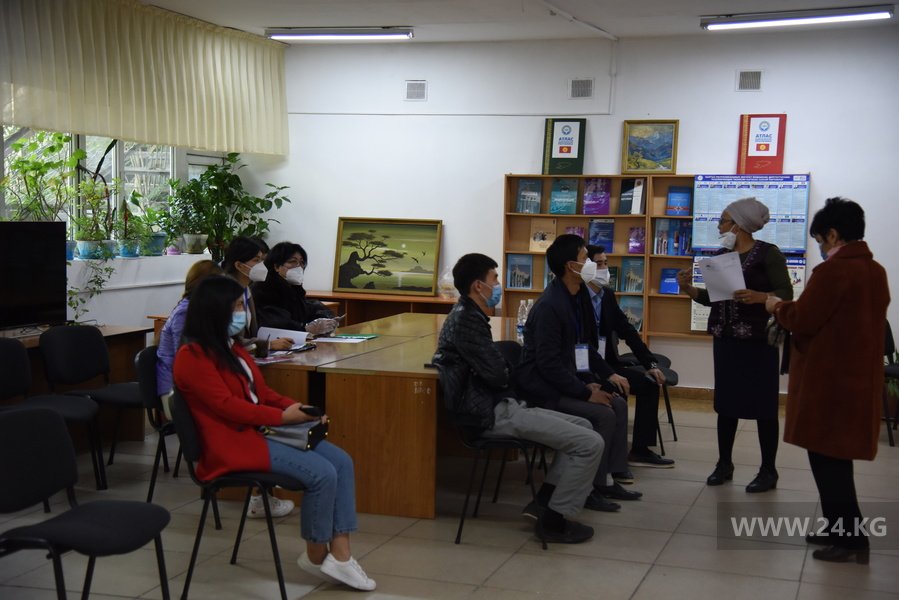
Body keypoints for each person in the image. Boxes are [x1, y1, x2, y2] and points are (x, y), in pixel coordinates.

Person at [173, 275, 376, 590]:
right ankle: (316, 554)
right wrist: (282, 417)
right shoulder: (192, 357)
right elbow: (227, 407)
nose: (243, 313)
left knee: (342, 462)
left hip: (260, 432)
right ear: (214, 310)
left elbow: (262, 393)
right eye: (236, 307)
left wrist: (299, 408)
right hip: (232, 446)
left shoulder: (232, 348)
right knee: (322, 474)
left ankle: (341, 553)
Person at [433, 253, 603, 544]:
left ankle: (544, 502)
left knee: (584, 427)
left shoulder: (470, 316)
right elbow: (498, 375)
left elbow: (497, 370)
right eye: (495, 278)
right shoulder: (466, 322)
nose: (498, 284)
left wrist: (503, 370)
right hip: (491, 414)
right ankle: (556, 521)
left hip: (501, 405)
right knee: (590, 444)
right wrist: (504, 371)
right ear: (478, 286)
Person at [766, 197, 889, 564]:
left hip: (830, 383)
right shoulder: (875, 271)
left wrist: (776, 306)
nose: (821, 247)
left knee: (828, 462)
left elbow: (803, 319)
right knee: (836, 459)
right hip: (856, 381)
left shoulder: (834, 272)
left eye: (820, 239)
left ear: (833, 235)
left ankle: (851, 540)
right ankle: (839, 529)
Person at [156, 259, 294, 519]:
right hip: (177, 394)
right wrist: (281, 416)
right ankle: (259, 494)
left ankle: (262, 494)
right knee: (251, 415)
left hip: (205, 392)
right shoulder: (190, 330)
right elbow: (203, 375)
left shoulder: (220, 335)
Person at [515, 234, 643, 511]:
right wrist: (585, 393)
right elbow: (548, 365)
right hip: (545, 390)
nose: (592, 265)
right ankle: (589, 488)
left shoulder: (578, 295)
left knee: (618, 402)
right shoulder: (549, 306)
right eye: (586, 259)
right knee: (603, 414)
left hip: (568, 380)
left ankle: (608, 477)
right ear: (571, 266)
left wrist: (605, 376)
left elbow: (583, 347)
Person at [676, 197, 793, 493]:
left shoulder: (769, 254)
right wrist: (688, 288)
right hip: (726, 340)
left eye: (723, 221)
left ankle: (768, 470)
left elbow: (786, 293)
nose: (719, 227)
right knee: (726, 404)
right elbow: (714, 297)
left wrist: (760, 296)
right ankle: (724, 464)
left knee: (764, 406)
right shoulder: (721, 255)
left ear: (738, 225)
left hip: (758, 343)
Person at [585, 245, 674, 475]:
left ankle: (640, 450)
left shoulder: (606, 295)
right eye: (599, 264)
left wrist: (650, 364)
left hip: (608, 363)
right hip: (585, 367)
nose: (605, 269)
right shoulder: (577, 297)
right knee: (616, 390)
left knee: (648, 384)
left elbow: (627, 330)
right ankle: (611, 456)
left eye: (606, 263)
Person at [221, 236, 293, 351]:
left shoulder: (246, 289)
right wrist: (268, 345)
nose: (262, 265)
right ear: (239, 265)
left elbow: (250, 334)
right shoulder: (224, 292)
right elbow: (226, 339)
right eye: (256, 260)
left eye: (262, 260)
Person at [252, 241, 338, 334]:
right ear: (276, 267)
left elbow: (310, 310)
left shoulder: (295, 289)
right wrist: (305, 328)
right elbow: (277, 323)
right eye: (292, 261)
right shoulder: (264, 290)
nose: (299, 267)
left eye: (302, 262)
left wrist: (326, 320)